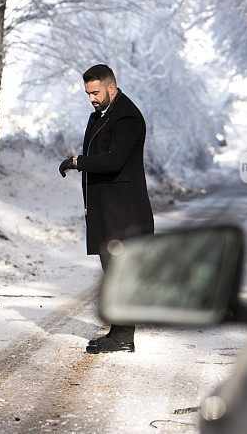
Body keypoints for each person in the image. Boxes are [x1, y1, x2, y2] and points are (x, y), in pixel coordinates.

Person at [59, 64, 154, 353]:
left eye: (96, 92)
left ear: (111, 87)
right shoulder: (103, 114)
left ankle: (124, 336)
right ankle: (119, 331)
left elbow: (113, 160)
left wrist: (77, 162)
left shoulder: (126, 116)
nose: (91, 98)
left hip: (123, 212)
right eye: (88, 93)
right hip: (108, 209)